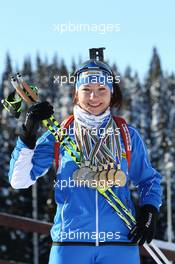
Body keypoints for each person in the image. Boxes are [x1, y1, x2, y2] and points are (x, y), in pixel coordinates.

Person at [8, 49, 162, 264]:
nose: (94, 97)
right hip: (70, 245)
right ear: (76, 93)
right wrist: (27, 136)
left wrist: (149, 211)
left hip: (119, 243)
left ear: (111, 92)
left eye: (101, 89)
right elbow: (19, 180)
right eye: (86, 89)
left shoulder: (126, 134)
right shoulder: (60, 133)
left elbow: (148, 180)